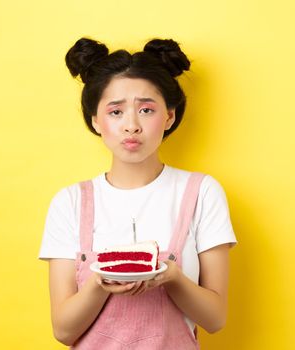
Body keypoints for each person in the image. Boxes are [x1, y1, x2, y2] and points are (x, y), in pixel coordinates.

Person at [39, 37, 237, 349]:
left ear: (169, 116)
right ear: (95, 120)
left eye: (146, 109)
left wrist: (171, 278)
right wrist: (101, 283)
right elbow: (63, 331)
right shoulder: (70, 202)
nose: (131, 125)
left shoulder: (202, 192)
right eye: (116, 112)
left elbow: (215, 320)